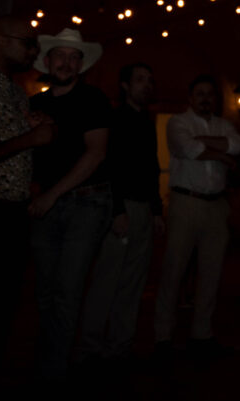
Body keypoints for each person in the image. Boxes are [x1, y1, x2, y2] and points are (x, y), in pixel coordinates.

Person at [0, 16, 54, 392]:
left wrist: (32, 130)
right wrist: (31, 139)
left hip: (13, 214)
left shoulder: (19, 93)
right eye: (28, 42)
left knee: (3, 308)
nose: (34, 51)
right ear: (2, 41)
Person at [29, 27, 112, 381]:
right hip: (44, 206)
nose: (66, 62)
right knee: (44, 290)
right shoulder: (33, 104)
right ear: (47, 61)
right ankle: (46, 364)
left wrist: (51, 194)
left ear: (81, 64)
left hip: (85, 203)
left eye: (73, 57)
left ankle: (53, 374)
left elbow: (96, 154)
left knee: (66, 292)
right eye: (60, 55)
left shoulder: (93, 100)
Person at [78, 62, 163, 364]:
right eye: (140, 80)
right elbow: (108, 168)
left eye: (149, 80)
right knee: (107, 280)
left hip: (142, 208)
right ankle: (90, 347)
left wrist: (156, 209)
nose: (147, 85)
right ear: (125, 85)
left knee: (133, 283)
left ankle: (119, 346)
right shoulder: (115, 120)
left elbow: (150, 167)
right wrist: (116, 211)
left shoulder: (146, 120)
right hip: (121, 207)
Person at [154, 75, 240, 357]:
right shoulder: (178, 122)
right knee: (174, 270)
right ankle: (162, 335)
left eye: (209, 94)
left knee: (211, 272)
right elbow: (187, 148)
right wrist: (223, 154)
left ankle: (202, 333)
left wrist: (208, 144)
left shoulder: (224, 124)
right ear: (190, 98)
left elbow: (238, 146)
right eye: (200, 94)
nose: (205, 98)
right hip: (186, 202)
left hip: (217, 205)